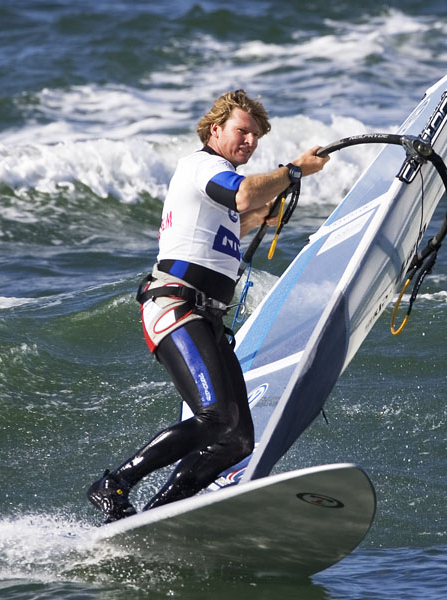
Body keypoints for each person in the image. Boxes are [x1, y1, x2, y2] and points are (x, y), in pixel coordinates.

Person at [87, 89, 330, 523]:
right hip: (175, 307)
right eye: (243, 131)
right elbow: (242, 195)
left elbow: (232, 223)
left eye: (256, 136)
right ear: (215, 129)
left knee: (236, 440)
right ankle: (115, 483)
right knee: (216, 417)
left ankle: (157, 515)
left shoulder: (213, 189)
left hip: (206, 317)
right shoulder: (204, 166)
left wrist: (260, 217)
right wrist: (294, 170)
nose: (250, 141)